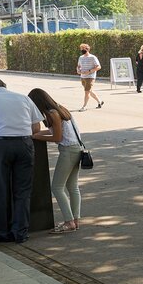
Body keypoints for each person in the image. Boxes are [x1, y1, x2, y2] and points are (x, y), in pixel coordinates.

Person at [0, 77, 44, 244]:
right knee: (23, 190)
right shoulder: (23, 98)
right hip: (25, 144)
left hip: (0, 145)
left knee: (0, 188)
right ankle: (21, 232)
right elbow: (36, 128)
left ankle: (3, 231)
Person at [30, 88, 84, 234]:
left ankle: (68, 222)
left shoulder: (52, 114)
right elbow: (55, 131)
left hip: (68, 151)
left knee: (57, 187)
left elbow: (57, 138)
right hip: (76, 148)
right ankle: (75, 220)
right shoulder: (60, 109)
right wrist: (37, 133)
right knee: (72, 187)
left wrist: (35, 137)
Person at [76, 43, 104, 111]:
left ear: (87, 49)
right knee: (89, 91)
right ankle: (100, 101)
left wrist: (89, 71)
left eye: (83, 48)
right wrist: (78, 70)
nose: (82, 50)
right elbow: (79, 66)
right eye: (81, 49)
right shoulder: (81, 57)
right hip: (83, 77)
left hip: (90, 77)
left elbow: (98, 67)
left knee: (87, 92)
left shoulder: (93, 57)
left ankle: (84, 106)